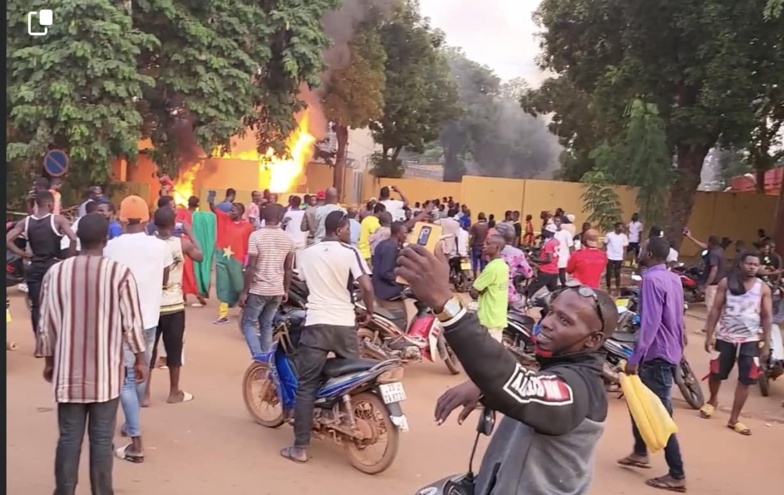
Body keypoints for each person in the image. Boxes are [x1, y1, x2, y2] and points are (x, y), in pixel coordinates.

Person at [395, 243, 618, 495]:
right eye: (551, 313)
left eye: (565, 321)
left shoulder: (579, 388)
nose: (546, 323)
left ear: (592, 339)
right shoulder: (564, 372)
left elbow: (525, 391)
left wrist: (445, 304)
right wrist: (483, 386)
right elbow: (531, 384)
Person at [35, 213, 147, 494]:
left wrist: (49, 360)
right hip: (106, 374)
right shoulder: (119, 273)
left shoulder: (56, 272)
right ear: (106, 239)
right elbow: (132, 323)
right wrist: (140, 359)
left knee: (69, 438)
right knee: (101, 439)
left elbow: (46, 322)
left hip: (67, 372)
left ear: (79, 238)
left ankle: (64, 491)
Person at [281, 211, 374, 464]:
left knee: (306, 385)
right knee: (354, 381)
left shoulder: (308, 252)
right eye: (348, 229)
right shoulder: (350, 252)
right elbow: (366, 286)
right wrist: (369, 312)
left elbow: (301, 281)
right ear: (341, 229)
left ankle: (300, 448)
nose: (349, 233)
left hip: (317, 324)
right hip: (344, 325)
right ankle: (349, 420)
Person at [103, 195, 173, 462]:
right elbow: (165, 279)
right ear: (147, 218)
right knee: (142, 371)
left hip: (121, 321)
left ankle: (134, 437)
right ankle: (131, 422)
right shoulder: (160, 247)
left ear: (121, 217)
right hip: (150, 318)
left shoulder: (112, 246)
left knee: (127, 378)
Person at [617, 237, 687, 492]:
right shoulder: (673, 278)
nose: (639, 253)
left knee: (660, 415)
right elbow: (678, 315)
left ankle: (677, 474)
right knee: (639, 400)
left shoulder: (650, 279)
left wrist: (635, 358)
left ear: (649, 254)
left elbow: (650, 323)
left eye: (642, 250)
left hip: (656, 353)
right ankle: (639, 451)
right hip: (670, 349)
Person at [700, 252, 772, 436]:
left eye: (756, 265)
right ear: (741, 264)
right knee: (716, 373)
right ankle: (712, 400)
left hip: (750, 340)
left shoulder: (763, 288)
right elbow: (716, 308)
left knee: (746, 380)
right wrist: (709, 335)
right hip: (725, 337)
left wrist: (765, 342)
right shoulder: (727, 283)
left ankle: (734, 419)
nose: (752, 267)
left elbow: (766, 315)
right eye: (749, 264)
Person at [146, 207, 202, 405]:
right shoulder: (182, 244)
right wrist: (190, 231)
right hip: (174, 304)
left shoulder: (148, 243)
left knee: (149, 349)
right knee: (174, 349)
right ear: (173, 224)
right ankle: (174, 391)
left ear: (154, 222)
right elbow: (201, 256)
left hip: (151, 305)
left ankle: (145, 394)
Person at [6, 190, 77, 338]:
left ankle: (39, 341)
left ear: (36, 205)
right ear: (51, 204)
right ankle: (56, 339)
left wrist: (23, 254)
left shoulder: (27, 222)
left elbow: (7, 239)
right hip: (54, 266)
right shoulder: (58, 220)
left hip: (34, 267)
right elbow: (73, 238)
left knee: (36, 305)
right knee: (57, 303)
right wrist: (68, 258)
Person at [239, 204, 295, 356]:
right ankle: (267, 360)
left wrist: (244, 292)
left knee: (248, 323)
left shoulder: (256, 236)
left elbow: (251, 266)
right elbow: (288, 268)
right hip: (277, 289)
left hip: (258, 289)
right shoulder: (288, 238)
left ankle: (259, 358)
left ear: (262, 218)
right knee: (267, 325)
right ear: (280, 218)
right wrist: (286, 289)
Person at [208, 195, 254, 324]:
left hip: (238, 260)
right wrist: (210, 199)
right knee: (223, 285)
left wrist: (248, 261)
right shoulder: (225, 218)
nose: (230, 212)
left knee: (239, 286)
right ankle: (223, 314)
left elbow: (251, 244)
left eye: (234, 210)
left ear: (241, 212)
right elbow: (213, 209)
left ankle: (245, 310)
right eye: (230, 209)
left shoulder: (248, 226)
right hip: (222, 258)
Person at [469, 235, 509, 341]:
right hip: (498, 316)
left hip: (488, 317)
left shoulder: (491, 268)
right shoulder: (503, 266)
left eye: (488, 243)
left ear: (496, 247)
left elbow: (474, 291)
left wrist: (480, 290)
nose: (483, 246)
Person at [372, 221, 409, 330]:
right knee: (398, 320)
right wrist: (400, 281)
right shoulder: (390, 248)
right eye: (405, 233)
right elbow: (385, 271)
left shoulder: (382, 244)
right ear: (398, 234)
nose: (406, 236)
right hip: (388, 293)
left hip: (378, 289)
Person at [683, 230, 727, 321]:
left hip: (713, 284)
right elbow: (703, 246)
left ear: (710, 243)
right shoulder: (720, 250)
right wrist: (690, 237)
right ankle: (707, 328)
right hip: (721, 282)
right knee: (718, 306)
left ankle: (715, 328)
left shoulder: (713, 254)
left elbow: (713, 270)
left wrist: (706, 285)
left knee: (711, 307)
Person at [496, 223, 533, 310]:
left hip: (493, 290)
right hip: (507, 290)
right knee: (518, 310)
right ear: (513, 238)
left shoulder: (494, 249)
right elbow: (528, 273)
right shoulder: (517, 253)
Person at [527, 224, 560, 297]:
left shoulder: (549, 243)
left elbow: (549, 259)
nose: (544, 232)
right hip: (554, 271)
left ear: (548, 232)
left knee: (530, 289)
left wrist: (536, 260)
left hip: (546, 271)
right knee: (553, 290)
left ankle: (525, 304)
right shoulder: (556, 241)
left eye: (545, 230)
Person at [604, 222, 629, 293]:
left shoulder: (624, 237)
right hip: (610, 256)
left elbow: (625, 248)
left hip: (619, 257)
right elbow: (605, 244)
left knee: (617, 272)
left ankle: (618, 286)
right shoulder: (609, 235)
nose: (621, 229)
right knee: (609, 272)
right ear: (616, 227)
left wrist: (624, 258)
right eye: (620, 227)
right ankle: (608, 286)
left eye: (622, 228)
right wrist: (604, 255)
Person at [282, 196, 308, 262]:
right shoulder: (304, 213)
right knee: (299, 261)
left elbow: (283, 226)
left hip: (290, 239)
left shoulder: (288, 214)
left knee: (289, 262)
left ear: (292, 202)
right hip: (302, 239)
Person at [554, 216, 574, 286]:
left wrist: (572, 258)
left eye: (558, 221)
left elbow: (570, 246)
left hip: (563, 258)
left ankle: (564, 288)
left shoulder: (566, 233)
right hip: (554, 258)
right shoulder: (552, 233)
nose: (556, 223)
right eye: (555, 221)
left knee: (562, 276)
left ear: (561, 223)